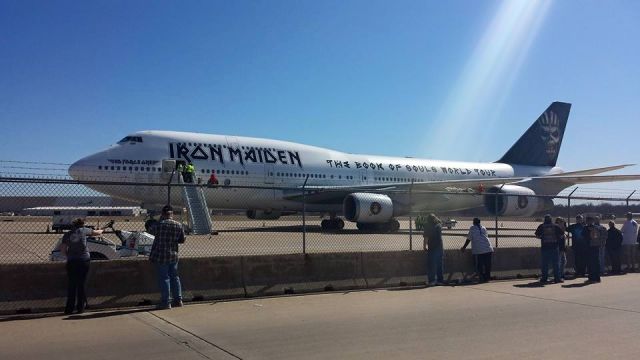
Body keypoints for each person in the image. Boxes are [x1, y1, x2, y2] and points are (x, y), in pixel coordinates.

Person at [60, 218, 104, 315]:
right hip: (83, 260)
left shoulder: (67, 234)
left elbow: (63, 250)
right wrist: (101, 229)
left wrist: (70, 256)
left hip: (72, 261)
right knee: (81, 284)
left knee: (72, 285)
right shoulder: (84, 230)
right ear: (82, 225)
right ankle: (80, 308)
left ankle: (69, 309)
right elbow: (97, 233)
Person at [149, 205, 186, 309]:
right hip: (173, 255)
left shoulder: (159, 225)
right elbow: (182, 240)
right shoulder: (178, 225)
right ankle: (178, 300)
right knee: (175, 277)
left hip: (161, 255)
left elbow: (150, 231)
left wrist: (159, 221)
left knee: (164, 278)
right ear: (172, 214)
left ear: (163, 214)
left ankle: (166, 302)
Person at [460, 218, 494, 283]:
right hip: (488, 248)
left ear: (474, 222)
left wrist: (464, 247)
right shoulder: (483, 228)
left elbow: (469, 239)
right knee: (487, 264)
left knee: (479, 264)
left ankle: (481, 277)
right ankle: (487, 278)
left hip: (479, 250)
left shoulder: (472, 228)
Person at [535, 215, 564, 283]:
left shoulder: (541, 226)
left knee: (545, 264)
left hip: (545, 248)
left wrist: (542, 238)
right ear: (551, 219)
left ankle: (544, 278)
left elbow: (537, 235)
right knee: (556, 264)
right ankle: (557, 278)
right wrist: (557, 239)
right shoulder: (555, 226)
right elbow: (562, 235)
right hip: (554, 247)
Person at [423, 213, 444, 286]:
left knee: (431, 265)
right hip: (440, 247)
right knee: (439, 265)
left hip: (432, 247)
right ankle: (440, 280)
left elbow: (426, 237)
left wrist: (424, 246)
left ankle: (432, 281)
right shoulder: (439, 225)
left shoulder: (427, 226)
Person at [582, 215, 604, 283]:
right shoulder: (598, 228)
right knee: (596, 262)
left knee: (590, 263)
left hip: (589, 247)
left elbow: (583, 236)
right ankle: (597, 278)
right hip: (596, 246)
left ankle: (591, 277)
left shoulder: (586, 228)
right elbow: (602, 235)